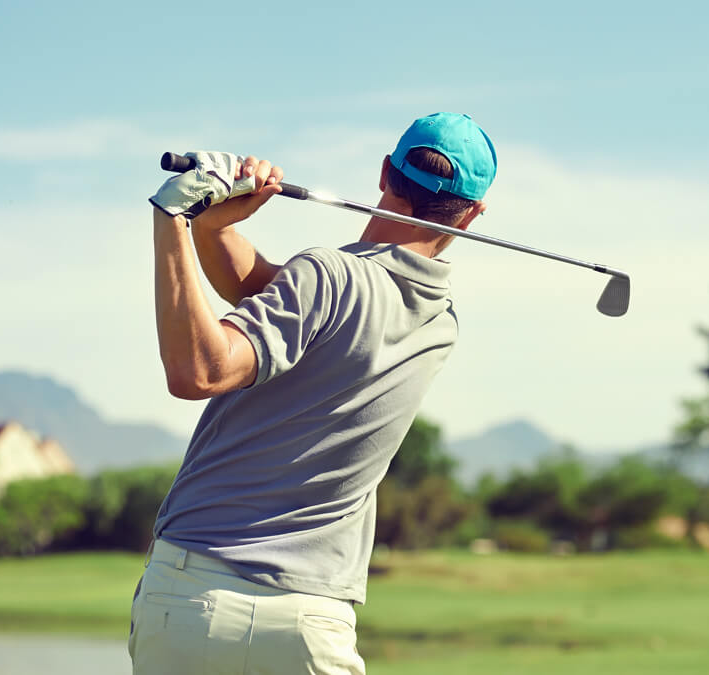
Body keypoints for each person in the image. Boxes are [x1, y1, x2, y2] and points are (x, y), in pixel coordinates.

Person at [132, 112, 497, 675]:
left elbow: (198, 371)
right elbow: (275, 299)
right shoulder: (440, 321)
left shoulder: (327, 275)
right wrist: (216, 230)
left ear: (384, 173)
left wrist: (176, 218)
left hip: (194, 594)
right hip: (312, 623)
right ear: (472, 215)